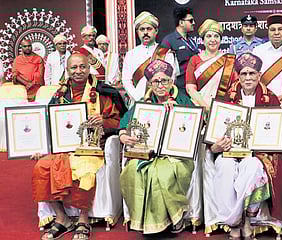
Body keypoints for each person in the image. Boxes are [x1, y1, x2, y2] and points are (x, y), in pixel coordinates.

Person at [32, 53, 126, 240]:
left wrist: (104, 121)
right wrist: (41, 146)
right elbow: (49, 123)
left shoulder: (105, 93)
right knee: (41, 167)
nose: (78, 71)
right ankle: (62, 217)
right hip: (64, 148)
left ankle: (83, 219)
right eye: (73, 68)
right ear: (67, 70)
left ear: (89, 67)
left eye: (82, 67)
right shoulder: (59, 95)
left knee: (85, 170)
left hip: (92, 148)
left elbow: (121, 121)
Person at [205, 53, 282, 239]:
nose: (248, 78)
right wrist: (217, 147)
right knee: (224, 168)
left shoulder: (272, 98)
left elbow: (279, 137)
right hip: (229, 153)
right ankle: (237, 222)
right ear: (238, 76)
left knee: (251, 168)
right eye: (243, 73)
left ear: (259, 75)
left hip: (257, 154)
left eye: (252, 73)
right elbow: (212, 143)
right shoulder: (226, 100)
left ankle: (243, 221)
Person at [119, 60, 193, 234]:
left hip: (174, 155)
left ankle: (174, 218)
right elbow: (124, 124)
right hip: (147, 153)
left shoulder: (182, 100)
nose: (160, 85)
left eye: (165, 80)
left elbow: (195, 125)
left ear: (171, 82)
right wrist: (123, 135)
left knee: (162, 174)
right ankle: (143, 221)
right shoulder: (142, 103)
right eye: (156, 81)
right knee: (132, 170)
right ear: (150, 84)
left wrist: (178, 112)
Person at [122, 11, 180, 107]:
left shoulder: (166, 53)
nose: (145, 32)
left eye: (149, 29)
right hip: (137, 102)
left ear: (156, 31)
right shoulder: (130, 54)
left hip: (161, 102)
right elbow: (126, 80)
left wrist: (156, 97)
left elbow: (171, 78)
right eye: (142, 29)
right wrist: (139, 98)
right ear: (137, 32)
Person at [185, 19, 236, 109]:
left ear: (220, 40)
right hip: (199, 106)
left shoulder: (229, 60)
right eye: (208, 36)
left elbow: (234, 85)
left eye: (216, 36)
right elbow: (190, 87)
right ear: (203, 40)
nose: (213, 40)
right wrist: (205, 106)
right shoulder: (194, 59)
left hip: (223, 107)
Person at [160, 7, 199, 105]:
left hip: (193, 87)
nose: (193, 23)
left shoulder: (192, 41)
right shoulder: (168, 41)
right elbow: (163, 68)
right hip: (179, 89)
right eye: (190, 21)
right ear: (181, 22)